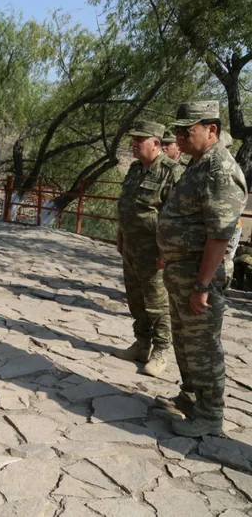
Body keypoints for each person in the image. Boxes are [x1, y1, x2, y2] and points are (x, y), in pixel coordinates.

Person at [155, 101, 247, 437]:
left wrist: (203, 285)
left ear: (212, 129)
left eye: (187, 130)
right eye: (177, 130)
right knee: (184, 339)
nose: (179, 136)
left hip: (199, 274)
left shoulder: (220, 169)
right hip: (182, 270)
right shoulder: (198, 164)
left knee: (204, 346)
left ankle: (210, 416)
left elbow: (220, 235)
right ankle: (191, 397)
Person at [113, 120, 183, 377]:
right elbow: (126, 205)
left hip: (154, 250)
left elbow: (175, 218)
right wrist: (121, 236)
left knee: (157, 303)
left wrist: (167, 251)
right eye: (133, 139)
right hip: (131, 247)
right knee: (136, 300)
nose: (133, 144)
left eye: (139, 140)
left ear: (156, 143)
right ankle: (141, 344)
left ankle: (161, 351)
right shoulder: (134, 169)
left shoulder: (171, 172)